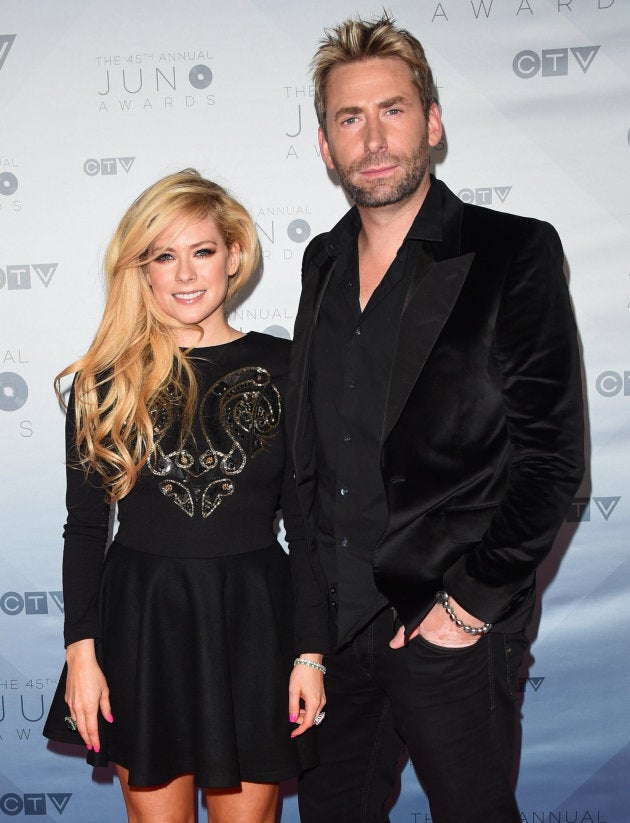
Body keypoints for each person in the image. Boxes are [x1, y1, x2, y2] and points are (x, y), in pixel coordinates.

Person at [285, 13, 585, 823]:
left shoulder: (510, 252)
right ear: (326, 145)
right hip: (337, 636)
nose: (373, 137)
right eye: (350, 118)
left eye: (393, 109)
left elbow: (553, 462)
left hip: (450, 628)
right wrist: (309, 626)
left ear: (434, 122)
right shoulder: (320, 261)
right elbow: (313, 454)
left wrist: (467, 608)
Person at [43, 168, 323, 823]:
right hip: (141, 624)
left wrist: (310, 654)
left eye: (201, 250)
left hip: (256, 624)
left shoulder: (288, 368)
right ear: (140, 270)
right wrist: (81, 652)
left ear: (234, 255)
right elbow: (85, 526)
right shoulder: (106, 380)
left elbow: (309, 529)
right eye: (163, 255)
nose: (186, 272)